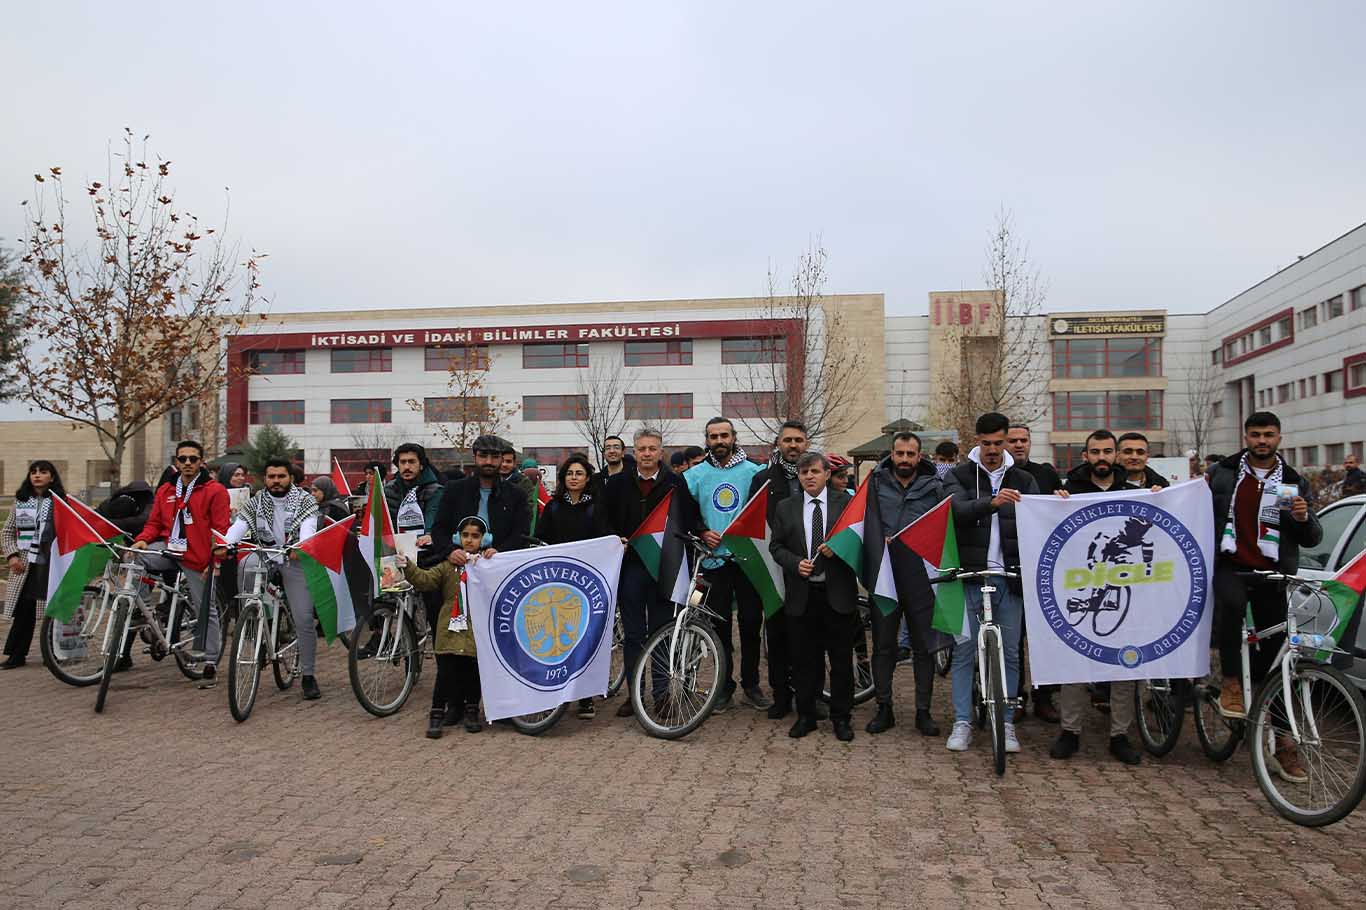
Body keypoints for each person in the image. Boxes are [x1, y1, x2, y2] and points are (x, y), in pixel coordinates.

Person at [1207, 412, 1322, 782]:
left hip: (1272, 573)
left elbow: (1311, 539)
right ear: (1245, 436)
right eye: (1255, 434)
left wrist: (1303, 518)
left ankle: (1283, 743)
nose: (1262, 441)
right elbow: (1191, 509)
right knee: (1233, 605)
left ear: (1279, 438)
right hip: (1230, 565)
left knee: (1275, 662)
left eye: (1268, 435)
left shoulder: (1291, 483)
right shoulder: (1222, 475)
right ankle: (1230, 682)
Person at [942, 413, 1038, 753]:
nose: (993, 450)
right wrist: (992, 503)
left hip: (1011, 578)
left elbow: (1040, 519)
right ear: (977, 440)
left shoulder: (1024, 479)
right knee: (965, 651)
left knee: (1011, 653)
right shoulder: (960, 474)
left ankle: (1008, 722)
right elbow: (955, 510)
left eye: (1000, 443)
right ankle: (962, 722)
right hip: (969, 576)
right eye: (987, 443)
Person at [1049, 430, 1147, 766]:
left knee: (1126, 663)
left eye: (1107, 451)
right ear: (1085, 455)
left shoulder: (1135, 493)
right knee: (1075, 658)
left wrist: (1159, 498)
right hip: (1081, 583)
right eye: (1095, 451)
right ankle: (1069, 731)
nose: (1101, 457)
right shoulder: (1069, 490)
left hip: (1125, 588)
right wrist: (1054, 504)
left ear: (1116, 455)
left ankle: (1120, 734)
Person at [600, 428, 694, 718]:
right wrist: (615, 538)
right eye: (642, 449)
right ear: (634, 452)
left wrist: (704, 532)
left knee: (662, 633)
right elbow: (602, 519)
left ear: (661, 452)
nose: (647, 454)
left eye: (653, 448)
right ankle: (635, 696)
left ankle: (662, 695)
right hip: (630, 570)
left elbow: (691, 517)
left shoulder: (675, 483)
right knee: (634, 636)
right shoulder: (616, 484)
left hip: (664, 569)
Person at [217, 457, 325, 700]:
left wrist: (302, 546)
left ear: (291, 478)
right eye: (271, 477)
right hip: (265, 554)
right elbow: (239, 526)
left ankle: (308, 675)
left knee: (304, 618)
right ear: (265, 479)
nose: (276, 481)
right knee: (245, 563)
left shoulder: (305, 500)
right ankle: (254, 616)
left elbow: (308, 528)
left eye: (281, 477)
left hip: (294, 557)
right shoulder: (256, 502)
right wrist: (225, 543)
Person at [865, 432, 950, 737]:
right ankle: (883, 707)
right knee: (884, 647)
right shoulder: (874, 484)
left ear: (920, 456)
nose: (904, 460)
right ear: (892, 453)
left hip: (921, 578)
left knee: (924, 647)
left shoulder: (936, 486)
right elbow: (863, 522)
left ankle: (923, 712)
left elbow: (945, 524)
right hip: (885, 575)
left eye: (910, 454)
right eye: (899, 454)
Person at [769, 452, 859, 742]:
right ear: (798, 475)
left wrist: (841, 550)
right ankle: (806, 715)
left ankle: (841, 718)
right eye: (804, 472)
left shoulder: (846, 503)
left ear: (826, 473)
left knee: (841, 661)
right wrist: (795, 563)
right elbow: (776, 546)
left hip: (838, 594)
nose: (809, 476)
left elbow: (859, 539)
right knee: (805, 661)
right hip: (802, 595)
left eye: (815, 471)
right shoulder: (786, 507)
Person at [132, 440, 230, 687]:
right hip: (168, 550)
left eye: (193, 459)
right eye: (182, 459)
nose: (187, 463)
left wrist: (214, 560)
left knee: (205, 608)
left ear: (201, 462)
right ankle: (141, 609)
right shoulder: (166, 490)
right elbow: (154, 524)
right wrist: (143, 540)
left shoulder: (215, 490)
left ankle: (209, 662)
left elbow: (221, 530)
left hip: (197, 558)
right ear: (176, 462)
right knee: (134, 557)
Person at [685, 417, 767, 712]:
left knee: (750, 624)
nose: (719, 441)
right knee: (719, 628)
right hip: (713, 561)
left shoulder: (755, 472)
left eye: (724, 435)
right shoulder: (695, 475)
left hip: (747, 561)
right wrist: (701, 530)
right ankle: (723, 687)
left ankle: (751, 684)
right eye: (713, 436)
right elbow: (685, 510)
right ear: (706, 440)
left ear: (734, 437)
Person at [745, 420, 811, 717]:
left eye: (798, 440)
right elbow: (752, 521)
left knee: (808, 637)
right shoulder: (763, 480)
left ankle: (809, 696)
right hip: (775, 566)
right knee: (777, 635)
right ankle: (781, 696)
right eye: (788, 440)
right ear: (778, 444)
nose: (793, 445)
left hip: (811, 566)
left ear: (806, 444)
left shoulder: (816, 475)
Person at [405, 516, 489, 738]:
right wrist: (408, 567)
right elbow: (425, 580)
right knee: (445, 673)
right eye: (465, 535)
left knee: (472, 672)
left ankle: (472, 711)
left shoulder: (487, 565)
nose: (469, 540)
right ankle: (436, 714)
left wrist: (494, 558)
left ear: (484, 538)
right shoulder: (447, 566)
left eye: (475, 536)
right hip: (448, 629)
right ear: (458, 538)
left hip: (474, 629)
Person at [534, 452, 603, 721]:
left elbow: (603, 537)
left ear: (587, 479)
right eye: (570, 474)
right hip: (557, 582)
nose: (574, 478)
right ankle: (555, 692)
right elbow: (541, 538)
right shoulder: (553, 507)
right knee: (558, 638)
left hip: (585, 583)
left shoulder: (596, 507)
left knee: (582, 636)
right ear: (563, 478)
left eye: (579, 474)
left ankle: (585, 697)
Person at [1004, 424, 1063, 724]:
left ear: (1030, 443)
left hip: (1041, 568)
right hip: (1011, 567)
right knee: (1013, 639)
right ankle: (1015, 697)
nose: (1018, 445)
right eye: (1012, 441)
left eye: (1023, 440)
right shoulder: (997, 474)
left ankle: (1044, 697)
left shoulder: (1046, 474)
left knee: (1043, 637)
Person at [2, 461, 66, 668]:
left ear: (52, 477)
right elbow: (8, 531)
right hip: (25, 563)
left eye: (43, 472)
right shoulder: (21, 502)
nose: (37, 476)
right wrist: (12, 556)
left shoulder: (61, 503)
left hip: (51, 563)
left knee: (53, 610)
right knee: (24, 609)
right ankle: (16, 654)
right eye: (33, 472)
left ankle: (55, 653)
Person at [431, 435, 530, 562]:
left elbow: (521, 533)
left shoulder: (516, 494)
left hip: (500, 565)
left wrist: (500, 552)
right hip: (459, 565)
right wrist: (450, 551)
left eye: (495, 456)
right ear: (475, 457)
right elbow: (439, 528)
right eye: (483, 456)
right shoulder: (454, 490)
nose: (488, 461)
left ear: (501, 459)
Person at [497, 441, 538, 522]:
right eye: (501, 461)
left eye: (508, 461)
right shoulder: (488, 481)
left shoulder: (524, 483)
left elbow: (527, 510)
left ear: (514, 463)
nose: (504, 464)